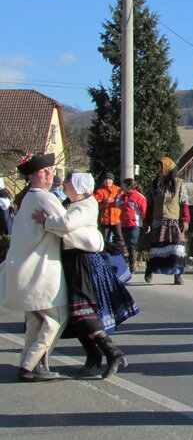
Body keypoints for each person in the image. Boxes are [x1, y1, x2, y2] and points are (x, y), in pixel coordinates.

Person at [32, 172, 135, 378]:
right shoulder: (70, 204)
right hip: (71, 261)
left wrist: (46, 222)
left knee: (81, 309)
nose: (66, 185)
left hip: (83, 262)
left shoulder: (87, 205)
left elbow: (67, 224)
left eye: (70, 182)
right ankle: (93, 357)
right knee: (75, 314)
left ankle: (111, 352)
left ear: (79, 186)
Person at [0, 153, 68, 381]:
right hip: (39, 271)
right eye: (44, 171)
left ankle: (27, 363)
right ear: (31, 176)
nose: (50, 173)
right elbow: (66, 225)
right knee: (56, 317)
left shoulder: (28, 197)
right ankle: (34, 365)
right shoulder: (43, 198)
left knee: (35, 321)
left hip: (24, 270)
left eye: (50, 169)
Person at [144, 157, 190, 285]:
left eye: (161, 167)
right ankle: (150, 269)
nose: (158, 170)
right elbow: (150, 205)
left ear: (168, 168)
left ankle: (178, 275)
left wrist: (185, 220)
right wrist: (147, 222)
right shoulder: (154, 184)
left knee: (176, 250)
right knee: (156, 249)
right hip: (158, 222)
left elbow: (184, 203)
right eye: (158, 167)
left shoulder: (179, 184)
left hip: (174, 222)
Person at [119, 178, 147, 272]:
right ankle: (130, 264)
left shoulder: (138, 197)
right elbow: (116, 206)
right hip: (124, 224)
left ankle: (133, 265)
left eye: (123, 185)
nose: (121, 186)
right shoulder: (122, 197)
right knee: (127, 245)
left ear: (128, 186)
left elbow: (144, 211)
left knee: (132, 244)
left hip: (134, 224)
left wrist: (146, 223)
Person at [93, 172, 124, 247]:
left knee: (120, 238)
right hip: (105, 219)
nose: (108, 181)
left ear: (112, 181)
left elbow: (123, 203)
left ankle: (122, 253)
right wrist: (104, 202)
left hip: (117, 218)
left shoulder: (118, 190)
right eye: (106, 179)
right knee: (104, 239)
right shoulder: (100, 191)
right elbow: (96, 206)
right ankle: (105, 254)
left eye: (109, 179)